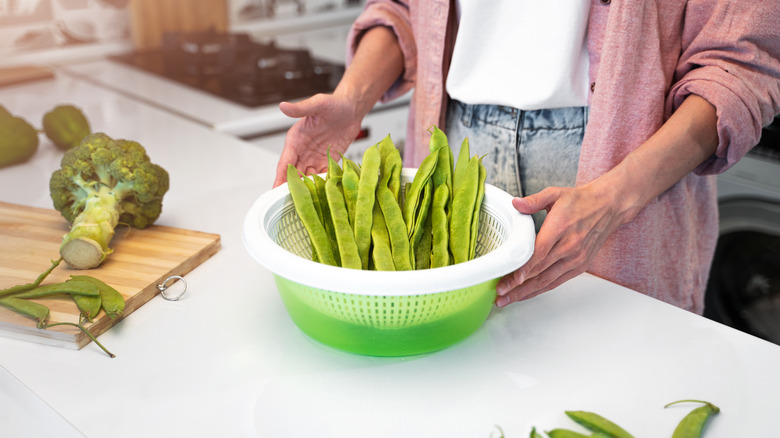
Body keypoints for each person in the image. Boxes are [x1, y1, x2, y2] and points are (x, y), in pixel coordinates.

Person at [273, 0, 780, 314]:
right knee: (460, 387)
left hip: (620, 165)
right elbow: (406, 8)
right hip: (452, 147)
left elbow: (738, 68)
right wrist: (352, 99)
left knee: (612, 384)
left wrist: (616, 198)